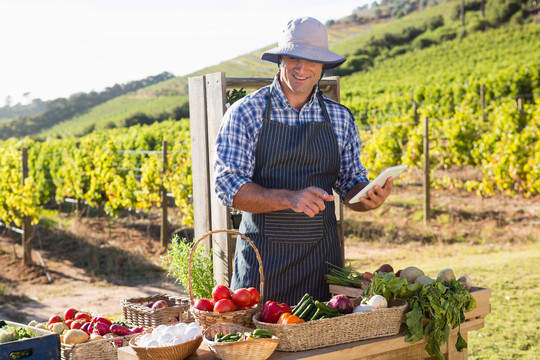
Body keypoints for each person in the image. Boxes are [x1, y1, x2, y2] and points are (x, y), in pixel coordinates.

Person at [213, 17, 393, 305]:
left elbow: (350, 183)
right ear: (280, 59)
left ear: (322, 66)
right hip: (262, 267)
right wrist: (290, 198)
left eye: (311, 60)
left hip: (322, 264)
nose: (301, 67)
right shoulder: (245, 112)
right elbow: (228, 188)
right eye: (293, 57)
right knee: (259, 346)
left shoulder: (339, 116)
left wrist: (367, 197)